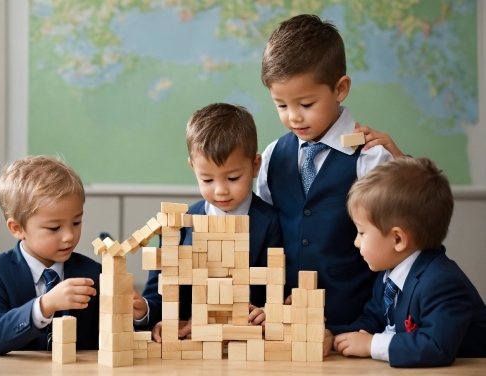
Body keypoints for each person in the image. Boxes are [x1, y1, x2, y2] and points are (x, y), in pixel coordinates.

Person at [256, 14, 404, 328]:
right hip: (284, 321)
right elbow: (264, 235)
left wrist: (403, 167)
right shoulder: (271, 156)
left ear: (340, 89)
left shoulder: (370, 156)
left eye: (306, 104)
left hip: (354, 322)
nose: (293, 117)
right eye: (281, 105)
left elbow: (403, 238)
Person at [135, 103, 282, 341]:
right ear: (193, 168)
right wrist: (152, 316)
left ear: (255, 166)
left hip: (246, 343)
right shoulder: (179, 226)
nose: (221, 190)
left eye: (233, 178)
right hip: (192, 344)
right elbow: (158, 295)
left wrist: (270, 312)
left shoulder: (271, 222)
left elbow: (278, 287)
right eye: (207, 179)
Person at [327, 157, 486, 367]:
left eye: (362, 232)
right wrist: (333, 335)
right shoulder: (388, 274)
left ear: (398, 239)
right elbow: (372, 320)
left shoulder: (441, 283)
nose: (356, 242)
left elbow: (436, 347)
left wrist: (371, 345)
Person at [0, 156, 101, 355]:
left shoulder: (93, 272)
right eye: (54, 228)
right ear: (17, 228)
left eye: (76, 223)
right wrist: (45, 305)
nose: (69, 236)